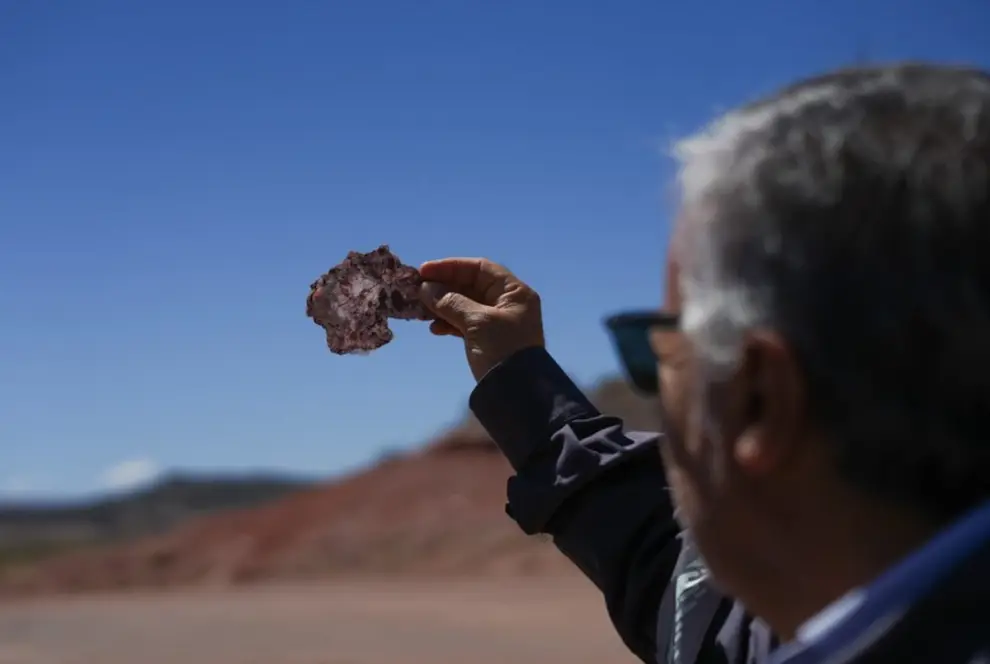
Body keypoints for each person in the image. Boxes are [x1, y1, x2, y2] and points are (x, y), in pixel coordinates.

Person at [416, 63, 990, 664]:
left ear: (759, 401)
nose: (659, 388)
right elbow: (685, 601)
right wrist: (520, 377)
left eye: (660, 349)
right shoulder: (804, 615)